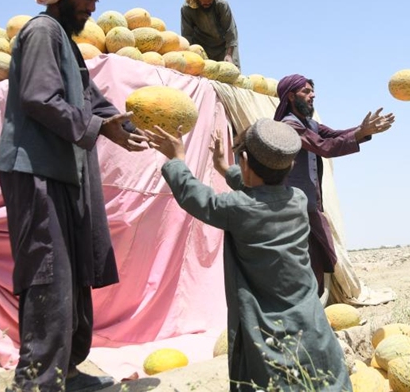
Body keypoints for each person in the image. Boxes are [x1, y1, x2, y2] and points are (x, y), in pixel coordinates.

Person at [0, 0, 149, 392]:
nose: (93, 6)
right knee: (48, 272)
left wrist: (130, 128)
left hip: (65, 171)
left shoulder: (64, 38)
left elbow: (94, 102)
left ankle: (67, 370)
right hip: (36, 170)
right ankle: (37, 381)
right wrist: (98, 127)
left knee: (75, 272)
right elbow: (40, 98)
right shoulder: (42, 31)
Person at [145, 119, 352, 391]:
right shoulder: (298, 200)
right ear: (290, 166)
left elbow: (194, 196)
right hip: (309, 317)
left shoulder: (235, 208)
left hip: (267, 324)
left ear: (244, 160)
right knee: (319, 377)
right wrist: (226, 169)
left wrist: (176, 160)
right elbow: (262, 195)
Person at [274, 74, 394, 299]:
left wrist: (365, 129)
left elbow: (336, 135)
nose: (313, 95)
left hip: (311, 205)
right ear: (290, 96)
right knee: (302, 261)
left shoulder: (310, 124)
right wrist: (361, 132)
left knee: (320, 257)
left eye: (312, 91)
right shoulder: (289, 126)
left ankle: (315, 309)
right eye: (306, 92)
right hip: (293, 208)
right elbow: (325, 147)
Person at [180, 0, 240, 67]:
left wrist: (229, 54)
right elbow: (187, 35)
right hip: (201, 47)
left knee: (230, 74)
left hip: (223, 47)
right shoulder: (187, 9)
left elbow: (230, 31)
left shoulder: (221, 4)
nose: (207, 1)